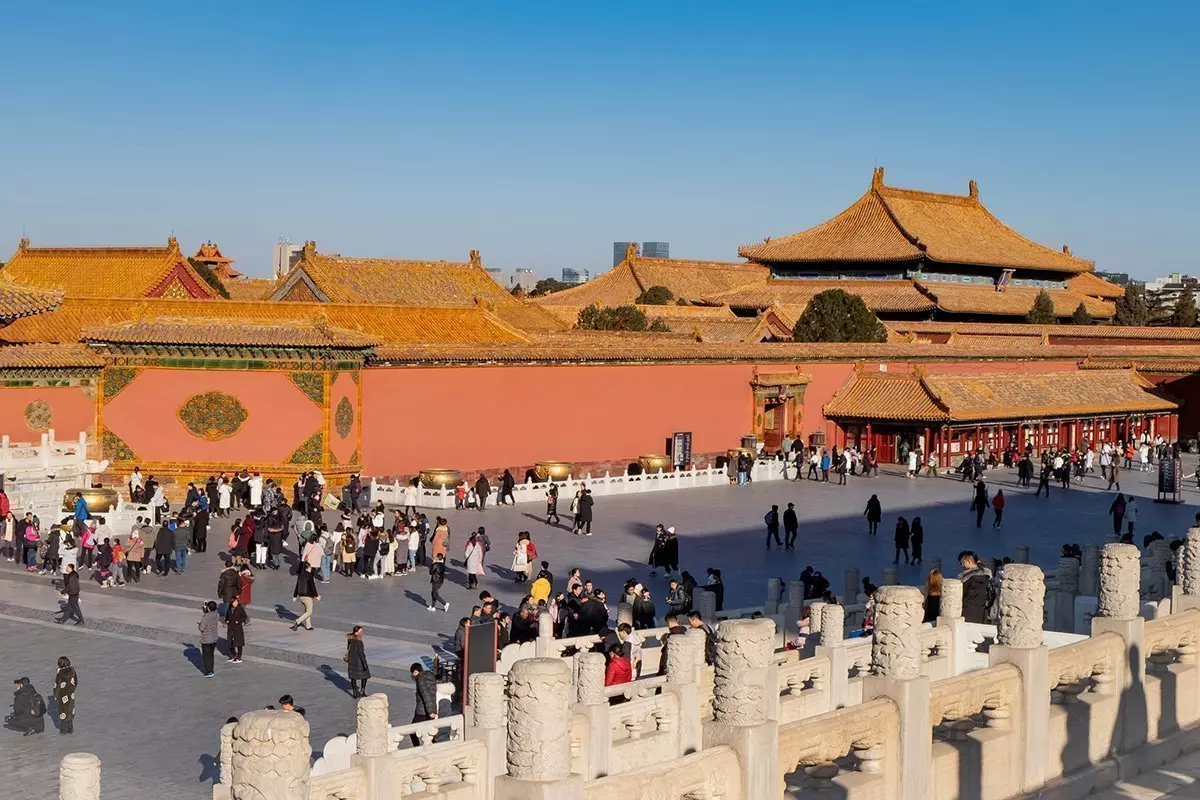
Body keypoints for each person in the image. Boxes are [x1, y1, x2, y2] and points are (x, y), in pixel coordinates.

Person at [958, 551, 993, 624]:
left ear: (968, 561)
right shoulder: (987, 576)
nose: (962, 565)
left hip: (967, 611)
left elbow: (960, 595)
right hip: (982, 612)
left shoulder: (966, 578)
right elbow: (991, 593)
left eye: (962, 563)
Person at [408, 663, 438, 746]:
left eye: (413, 673)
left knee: (412, 731)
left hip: (422, 711)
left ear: (416, 671)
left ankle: (417, 748)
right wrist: (432, 710)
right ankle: (434, 748)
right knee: (429, 732)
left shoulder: (420, 679)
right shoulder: (429, 677)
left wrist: (430, 711)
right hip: (431, 709)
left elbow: (426, 695)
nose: (413, 675)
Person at [290, 564, 319, 631]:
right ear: (308, 567)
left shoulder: (300, 575)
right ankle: (298, 621)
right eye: (310, 567)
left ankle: (309, 626)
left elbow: (297, 586)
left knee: (306, 610)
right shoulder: (309, 575)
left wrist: (295, 595)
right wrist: (316, 596)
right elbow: (312, 586)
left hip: (301, 596)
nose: (311, 568)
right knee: (309, 611)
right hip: (307, 596)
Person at [345, 626, 370, 698]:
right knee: (365, 676)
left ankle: (355, 693)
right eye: (360, 632)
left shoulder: (350, 640)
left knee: (353, 677)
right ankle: (362, 691)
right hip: (359, 663)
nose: (362, 633)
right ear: (356, 633)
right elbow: (361, 654)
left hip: (351, 661)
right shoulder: (359, 642)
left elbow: (348, 649)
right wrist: (364, 663)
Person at [224, 596, 248, 664]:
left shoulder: (240, 608)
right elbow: (227, 616)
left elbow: (244, 617)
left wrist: (238, 621)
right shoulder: (229, 608)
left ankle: (239, 657)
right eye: (234, 602)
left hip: (237, 628)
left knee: (239, 643)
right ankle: (234, 655)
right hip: (230, 627)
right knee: (230, 642)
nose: (236, 603)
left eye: (237, 601)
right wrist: (227, 621)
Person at [198, 601, 220, 677]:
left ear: (208, 608)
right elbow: (209, 614)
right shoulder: (216, 614)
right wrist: (206, 608)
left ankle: (209, 671)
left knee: (206, 656)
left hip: (206, 639)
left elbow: (201, 628)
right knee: (211, 655)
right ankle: (211, 669)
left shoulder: (206, 617)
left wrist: (200, 624)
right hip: (214, 638)